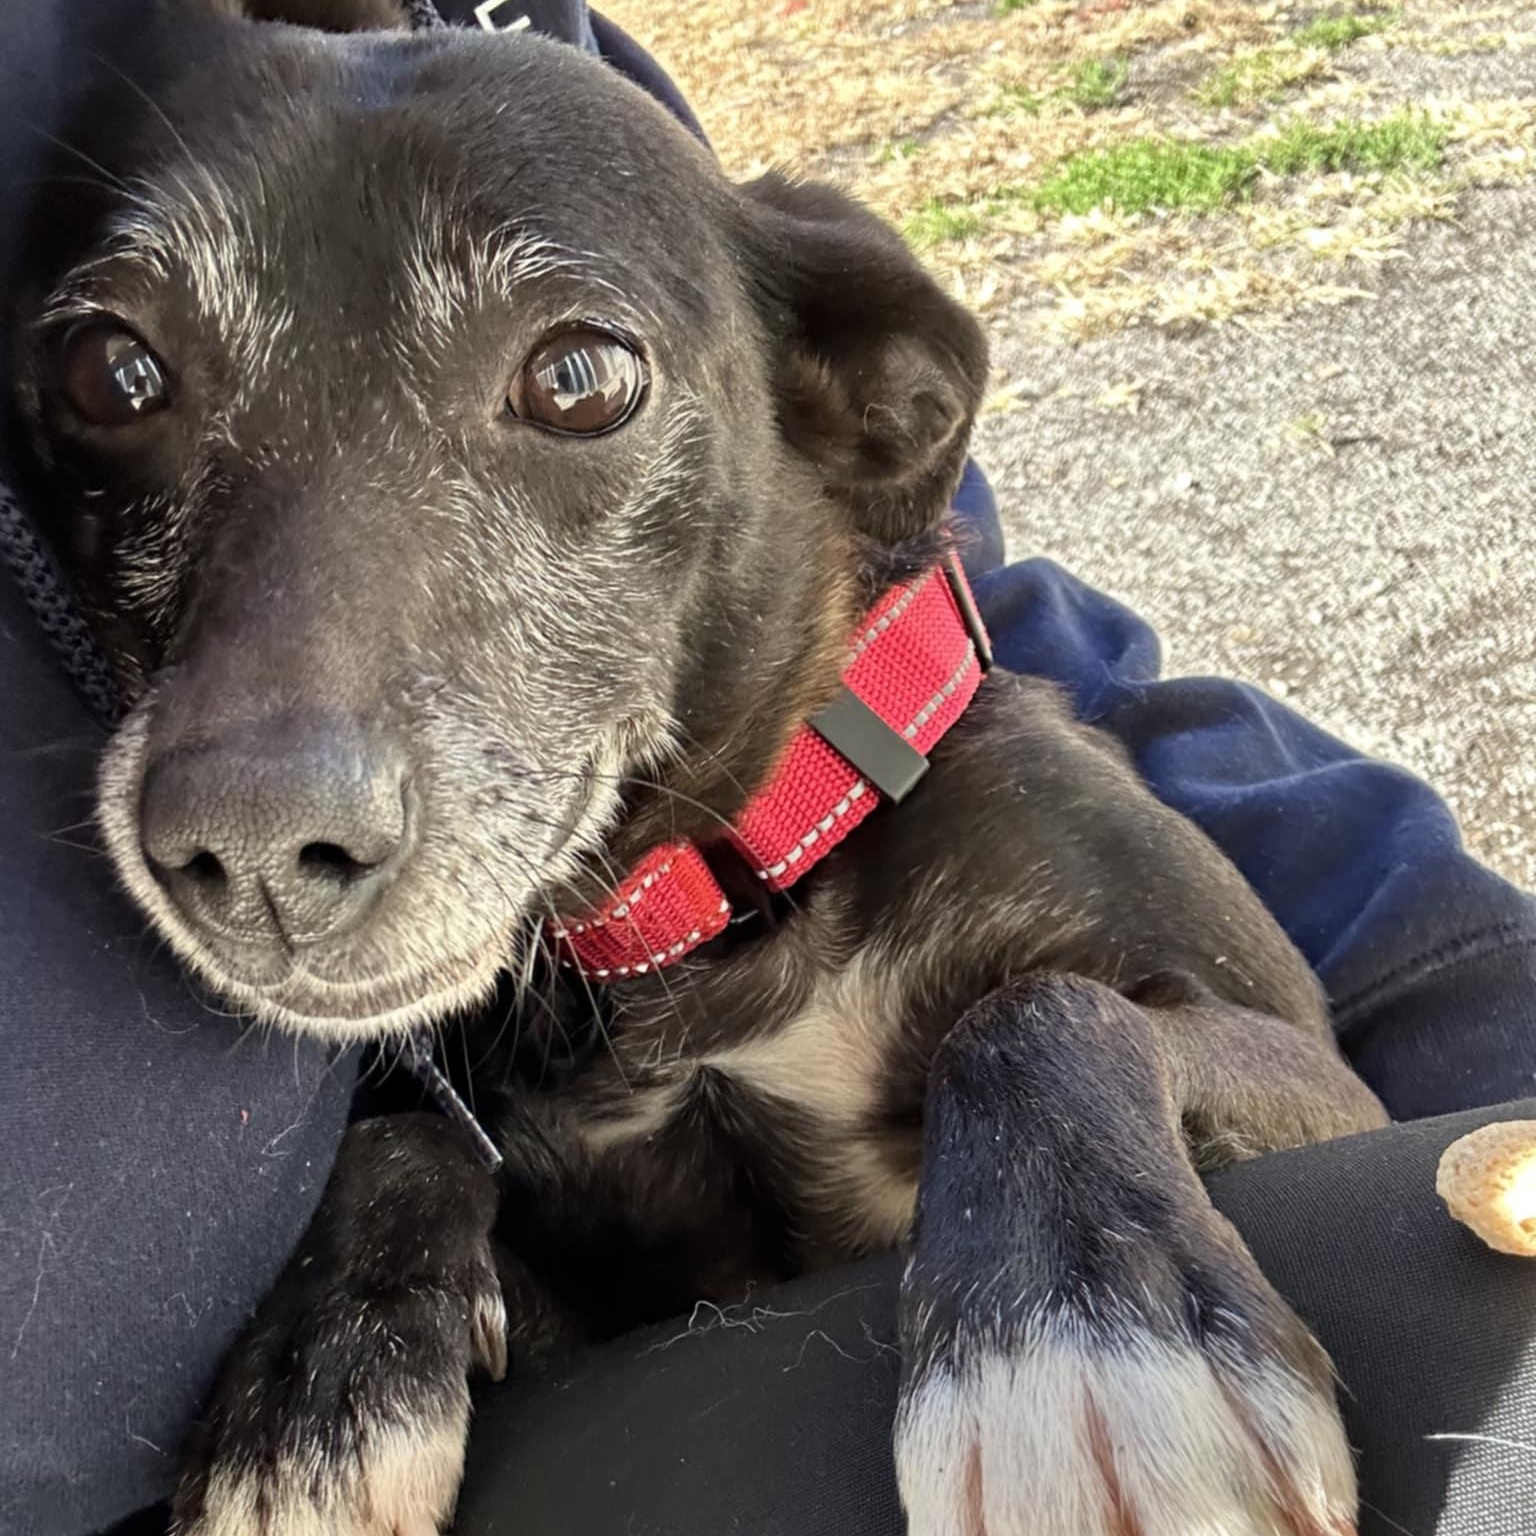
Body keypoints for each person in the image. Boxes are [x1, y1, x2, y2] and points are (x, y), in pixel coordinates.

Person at [1, 4, 1531, 1535]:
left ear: (847, 409)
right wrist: (395, 1203)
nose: (268, 806)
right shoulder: (466, 1049)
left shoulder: (963, 780)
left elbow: (1315, 1082)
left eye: (577, 384)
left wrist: (1073, 1070)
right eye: (122, 384)